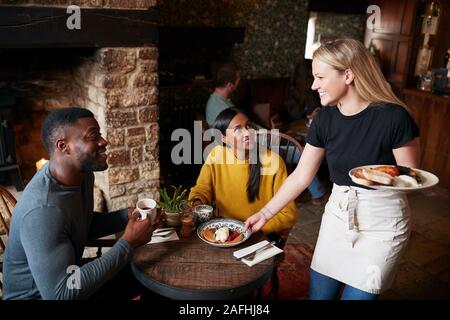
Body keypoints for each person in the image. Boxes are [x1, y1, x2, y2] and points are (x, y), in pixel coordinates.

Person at [243, 39, 420, 300]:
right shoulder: (324, 120)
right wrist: (265, 213)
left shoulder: (394, 118)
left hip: (383, 223)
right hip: (338, 215)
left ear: (347, 75)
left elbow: (412, 176)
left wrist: (377, 178)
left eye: (320, 77)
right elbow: (302, 175)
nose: (314, 85)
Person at [3, 107, 155, 300]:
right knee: (140, 272)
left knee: (150, 271)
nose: (104, 141)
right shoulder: (42, 210)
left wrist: (126, 216)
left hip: (69, 275)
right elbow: (60, 294)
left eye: (99, 134)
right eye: (93, 136)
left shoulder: (83, 175)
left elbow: (80, 224)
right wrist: (127, 243)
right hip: (45, 295)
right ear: (63, 146)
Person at [189, 108, 297, 235]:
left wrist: (251, 230)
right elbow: (202, 189)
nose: (247, 133)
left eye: (248, 126)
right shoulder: (216, 155)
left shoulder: (274, 161)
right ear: (223, 138)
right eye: (237, 129)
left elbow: (288, 214)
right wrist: (198, 203)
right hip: (225, 231)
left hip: (259, 234)